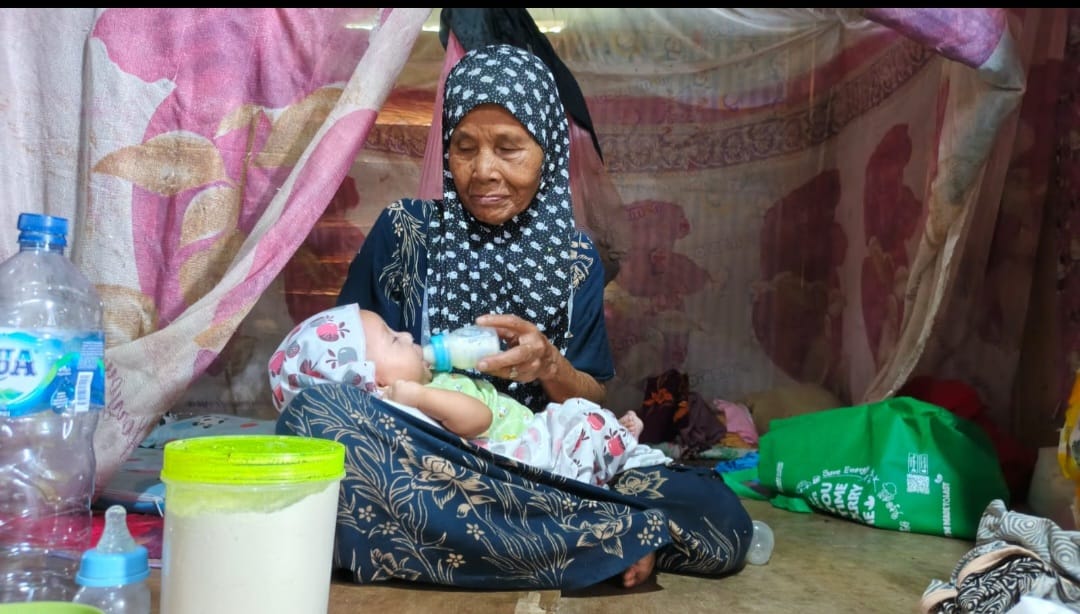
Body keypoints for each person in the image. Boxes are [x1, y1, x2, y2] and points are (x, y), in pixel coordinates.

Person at [281, 44, 753, 592]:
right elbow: (339, 365)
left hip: (542, 471)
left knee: (721, 519)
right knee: (310, 417)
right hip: (427, 467)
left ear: (547, 149)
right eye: (464, 148)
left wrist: (549, 364)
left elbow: (591, 394)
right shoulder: (405, 234)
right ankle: (593, 538)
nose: (483, 171)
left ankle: (506, 544)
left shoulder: (575, 262)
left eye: (508, 148)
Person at [268, 303, 669, 488]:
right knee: (579, 421)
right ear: (371, 384)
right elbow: (478, 420)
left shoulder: (424, 387)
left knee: (577, 417)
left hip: (530, 431)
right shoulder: (411, 407)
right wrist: (417, 396)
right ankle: (614, 446)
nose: (407, 335)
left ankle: (616, 443)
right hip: (523, 454)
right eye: (392, 339)